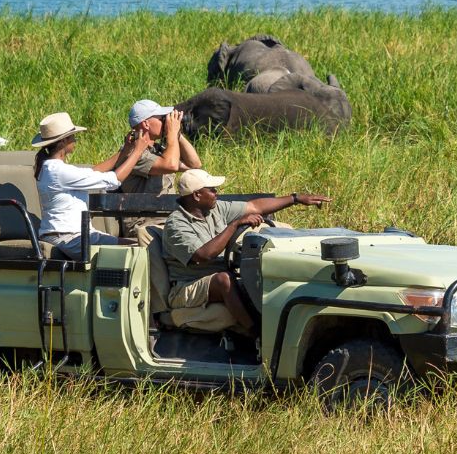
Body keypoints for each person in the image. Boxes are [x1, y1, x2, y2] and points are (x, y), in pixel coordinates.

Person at [161, 168, 329, 334]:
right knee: (224, 280)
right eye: (212, 190)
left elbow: (254, 206)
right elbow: (204, 255)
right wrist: (234, 225)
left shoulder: (214, 209)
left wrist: (295, 198)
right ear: (197, 195)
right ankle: (256, 334)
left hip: (218, 275)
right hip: (187, 286)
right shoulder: (176, 224)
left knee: (258, 275)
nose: (216, 193)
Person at [31, 111, 151, 259]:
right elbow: (113, 180)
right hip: (66, 236)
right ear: (63, 141)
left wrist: (126, 149)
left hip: (77, 234)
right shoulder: (57, 171)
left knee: (136, 245)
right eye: (73, 137)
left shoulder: (54, 168)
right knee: (134, 251)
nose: (75, 140)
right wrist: (138, 151)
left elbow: (92, 172)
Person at [118, 99, 203, 240]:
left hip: (167, 220)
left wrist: (177, 135)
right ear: (146, 123)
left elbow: (194, 164)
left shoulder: (158, 150)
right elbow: (171, 165)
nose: (165, 122)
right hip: (145, 224)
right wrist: (171, 134)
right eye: (161, 119)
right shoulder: (133, 153)